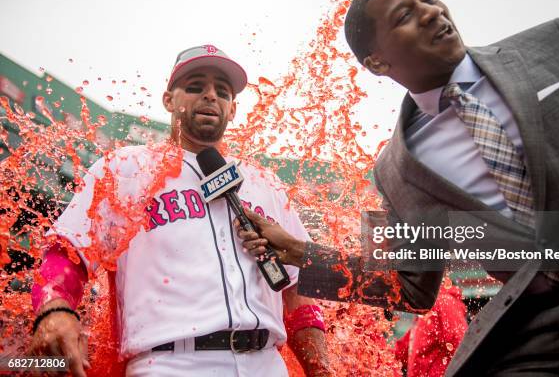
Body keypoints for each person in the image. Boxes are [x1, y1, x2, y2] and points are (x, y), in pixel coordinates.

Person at [237, 0, 559, 376]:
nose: (432, 13)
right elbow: (406, 285)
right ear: (377, 63)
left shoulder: (554, 43)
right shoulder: (393, 172)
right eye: (406, 16)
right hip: (537, 319)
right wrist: (295, 250)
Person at [28, 44, 331, 377]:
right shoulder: (125, 168)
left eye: (223, 91)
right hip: (170, 362)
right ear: (169, 100)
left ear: (232, 110)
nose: (210, 96)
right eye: (195, 86)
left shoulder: (266, 183)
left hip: (265, 362)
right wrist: (54, 308)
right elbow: (67, 250)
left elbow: (297, 293)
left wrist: (321, 370)